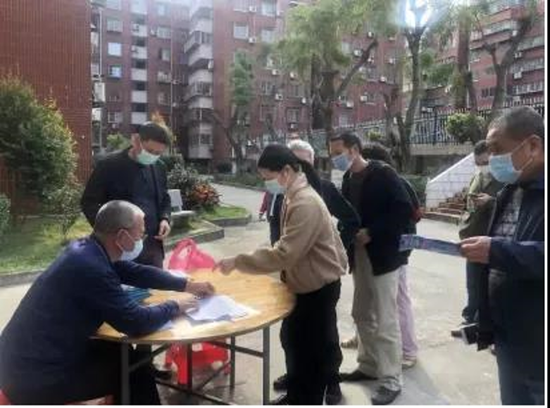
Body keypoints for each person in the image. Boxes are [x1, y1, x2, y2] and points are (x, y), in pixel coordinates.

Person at [0, 200, 214, 404]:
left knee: (122, 354)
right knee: (134, 370)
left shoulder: (88, 250)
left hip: (25, 359)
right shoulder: (92, 268)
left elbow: (136, 272)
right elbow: (136, 322)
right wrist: (175, 306)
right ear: (122, 235)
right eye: (140, 233)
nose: (142, 238)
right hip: (34, 376)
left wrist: (186, 284)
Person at [216, 145, 347, 405]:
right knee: (293, 344)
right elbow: (283, 246)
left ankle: (306, 400)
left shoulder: (305, 202)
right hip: (302, 285)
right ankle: (295, 395)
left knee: (311, 357)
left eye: (268, 177)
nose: (267, 184)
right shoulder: (292, 194)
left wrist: (239, 262)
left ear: (286, 171)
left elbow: (285, 254)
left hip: (317, 289)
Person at [460, 107, 544, 405]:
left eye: (497, 149)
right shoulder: (509, 191)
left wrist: (496, 250)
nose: (492, 158)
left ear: (532, 145)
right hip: (508, 335)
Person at [266, 139, 360, 404]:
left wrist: (334, 248)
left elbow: (350, 219)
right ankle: (296, 382)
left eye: (300, 162)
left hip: (317, 278)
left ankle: (330, 381)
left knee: (323, 338)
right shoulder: (280, 192)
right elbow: (277, 231)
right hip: (291, 274)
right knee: (291, 336)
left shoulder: (320, 190)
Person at [330, 133, 413, 405]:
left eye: (338, 152)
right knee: (361, 312)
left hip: (384, 256)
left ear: (354, 149)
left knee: (386, 319)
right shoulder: (347, 179)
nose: (335, 158)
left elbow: (403, 210)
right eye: (332, 154)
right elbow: (348, 216)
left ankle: (391, 380)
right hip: (359, 254)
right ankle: (368, 365)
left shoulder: (383, 174)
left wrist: (372, 232)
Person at [360, 142, 420, 369]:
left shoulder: (395, 181)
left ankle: (408, 350)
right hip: (376, 250)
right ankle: (363, 339)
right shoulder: (368, 182)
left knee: (398, 299)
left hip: (396, 250)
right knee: (371, 299)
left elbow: (413, 214)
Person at [81, 122, 173, 268]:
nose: (153, 156)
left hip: (153, 247)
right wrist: (110, 233)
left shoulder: (159, 167)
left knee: (156, 282)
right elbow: (89, 202)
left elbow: (164, 198)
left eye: (158, 153)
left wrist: (165, 218)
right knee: (121, 282)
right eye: (150, 151)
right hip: (119, 248)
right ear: (135, 140)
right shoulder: (109, 165)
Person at [453, 140, 504, 338]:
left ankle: (488, 326)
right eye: (478, 163)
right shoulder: (478, 176)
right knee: (473, 283)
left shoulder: (506, 179)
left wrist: (491, 202)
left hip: (493, 240)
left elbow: (511, 207)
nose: (481, 167)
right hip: (473, 236)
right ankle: (469, 321)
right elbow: (468, 204)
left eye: (484, 163)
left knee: (492, 287)